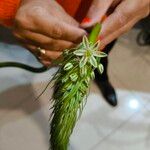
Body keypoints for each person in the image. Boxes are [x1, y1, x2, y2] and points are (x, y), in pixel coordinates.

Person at [0, 0, 149, 106]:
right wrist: (16, 4)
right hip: (50, 11)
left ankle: (102, 79)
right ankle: (64, 81)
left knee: (102, 57)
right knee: (62, 61)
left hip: (108, 20)